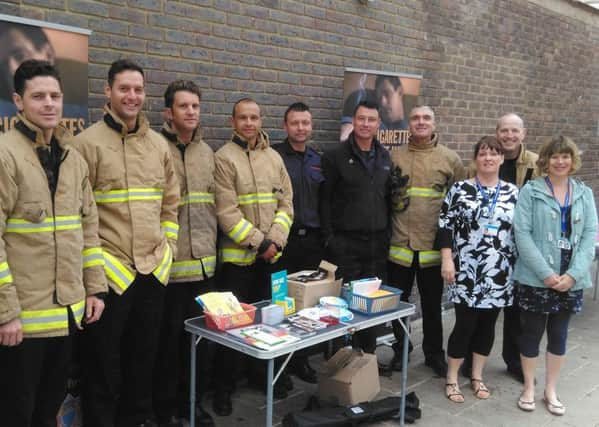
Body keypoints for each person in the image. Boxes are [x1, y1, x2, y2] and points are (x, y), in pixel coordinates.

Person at [0, 60, 106, 427]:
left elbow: (88, 229)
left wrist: (95, 289)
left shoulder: (72, 158)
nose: (49, 103)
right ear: (18, 101)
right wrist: (6, 312)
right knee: (16, 411)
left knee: (49, 408)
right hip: (22, 323)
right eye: (38, 96)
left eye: (55, 96)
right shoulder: (5, 154)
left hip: (67, 314)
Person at [75, 59, 180, 427]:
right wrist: (95, 271)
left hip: (152, 272)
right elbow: (76, 215)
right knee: (102, 366)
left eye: (138, 89)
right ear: (108, 92)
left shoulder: (158, 146)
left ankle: (136, 420)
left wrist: (167, 249)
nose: (132, 96)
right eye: (124, 88)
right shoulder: (84, 145)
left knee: (143, 361)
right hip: (109, 277)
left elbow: (171, 204)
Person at [212, 98, 293, 416]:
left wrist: (275, 241)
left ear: (262, 121)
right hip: (238, 262)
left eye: (254, 117)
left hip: (272, 258)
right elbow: (225, 211)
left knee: (268, 322)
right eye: (243, 118)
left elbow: (287, 204)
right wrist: (260, 243)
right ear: (233, 122)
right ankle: (224, 388)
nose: (249, 123)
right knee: (231, 330)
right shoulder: (223, 158)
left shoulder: (274, 158)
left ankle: (262, 377)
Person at [513, 136, 597, 415]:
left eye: (566, 156)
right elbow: (522, 234)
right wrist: (546, 274)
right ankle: (528, 386)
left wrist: (573, 275)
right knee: (532, 333)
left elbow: (589, 237)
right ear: (545, 160)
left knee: (559, 334)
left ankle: (550, 389)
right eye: (555, 156)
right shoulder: (531, 191)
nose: (560, 162)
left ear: (573, 161)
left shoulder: (584, 193)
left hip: (570, 276)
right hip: (537, 275)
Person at [153, 80, 216, 427]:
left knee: (200, 345)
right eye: (183, 106)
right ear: (168, 113)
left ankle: (194, 404)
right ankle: (164, 410)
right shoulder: (156, 148)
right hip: (169, 269)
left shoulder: (207, 153)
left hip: (205, 267)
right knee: (168, 346)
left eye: (195, 106)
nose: (191, 112)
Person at [438, 136, 518, 403]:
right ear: (475, 159)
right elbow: (445, 226)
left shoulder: (512, 192)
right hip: (466, 271)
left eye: (494, 153)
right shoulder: (460, 189)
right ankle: (452, 378)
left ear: (501, 159)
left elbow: (520, 233)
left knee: (487, 326)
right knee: (464, 324)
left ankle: (477, 376)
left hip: (499, 272)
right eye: (483, 153)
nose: (488, 158)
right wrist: (447, 259)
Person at [386, 105, 465, 376]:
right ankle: (402, 348)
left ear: (434, 123)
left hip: (433, 248)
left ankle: (434, 354)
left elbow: (457, 207)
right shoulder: (394, 156)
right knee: (397, 304)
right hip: (399, 246)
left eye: (426, 118)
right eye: (416, 117)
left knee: (432, 306)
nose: (421, 122)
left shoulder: (451, 159)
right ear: (409, 123)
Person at [462, 113, 538, 382]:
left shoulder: (535, 164)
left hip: (518, 247)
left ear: (523, 133)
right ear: (497, 132)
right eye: (504, 131)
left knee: (516, 310)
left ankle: (514, 361)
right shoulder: (481, 162)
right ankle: (470, 359)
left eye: (514, 131)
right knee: (480, 308)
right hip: (484, 250)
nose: (509, 136)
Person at [321, 100, 392, 354]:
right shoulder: (334, 156)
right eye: (361, 119)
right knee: (343, 306)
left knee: (370, 305)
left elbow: (388, 199)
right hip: (345, 245)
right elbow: (325, 201)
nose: (366, 124)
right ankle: (341, 362)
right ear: (353, 121)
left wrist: (386, 236)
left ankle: (367, 359)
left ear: (378, 124)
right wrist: (331, 239)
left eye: (371, 120)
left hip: (375, 246)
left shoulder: (384, 157)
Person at [273, 102, 324, 384]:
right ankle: (280, 367)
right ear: (285, 126)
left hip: (312, 245)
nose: (301, 128)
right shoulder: (274, 157)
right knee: (282, 304)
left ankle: (301, 360)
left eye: (305, 123)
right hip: (285, 244)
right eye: (295, 123)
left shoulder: (318, 159)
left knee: (305, 307)